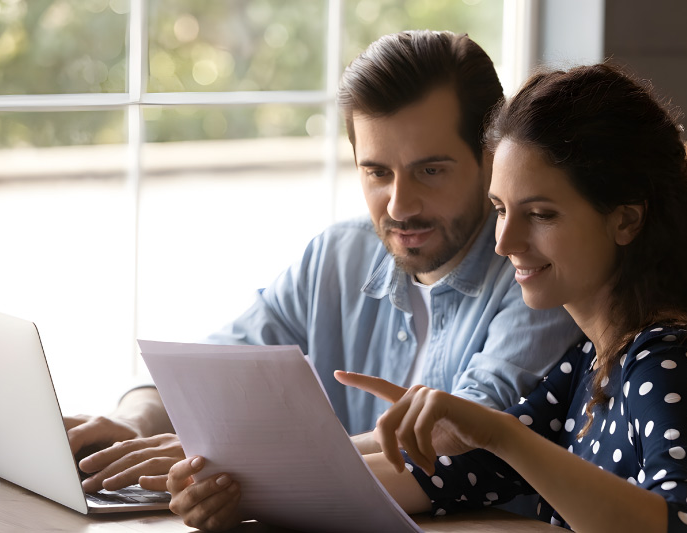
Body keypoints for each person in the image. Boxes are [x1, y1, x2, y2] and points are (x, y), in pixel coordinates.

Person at [166, 63, 687, 532]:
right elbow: (449, 473)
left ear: (625, 220)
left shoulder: (673, 356)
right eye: (500, 209)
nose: (507, 240)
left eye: (541, 214)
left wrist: (501, 435)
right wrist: (239, 485)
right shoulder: (596, 359)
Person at [64, 30, 580, 496]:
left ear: (491, 159)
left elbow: (460, 435)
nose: (399, 205)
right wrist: (133, 423)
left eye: (430, 170)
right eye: (377, 173)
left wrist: (239, 463)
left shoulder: (534, 275)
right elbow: (211, 372)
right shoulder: (338, 257)